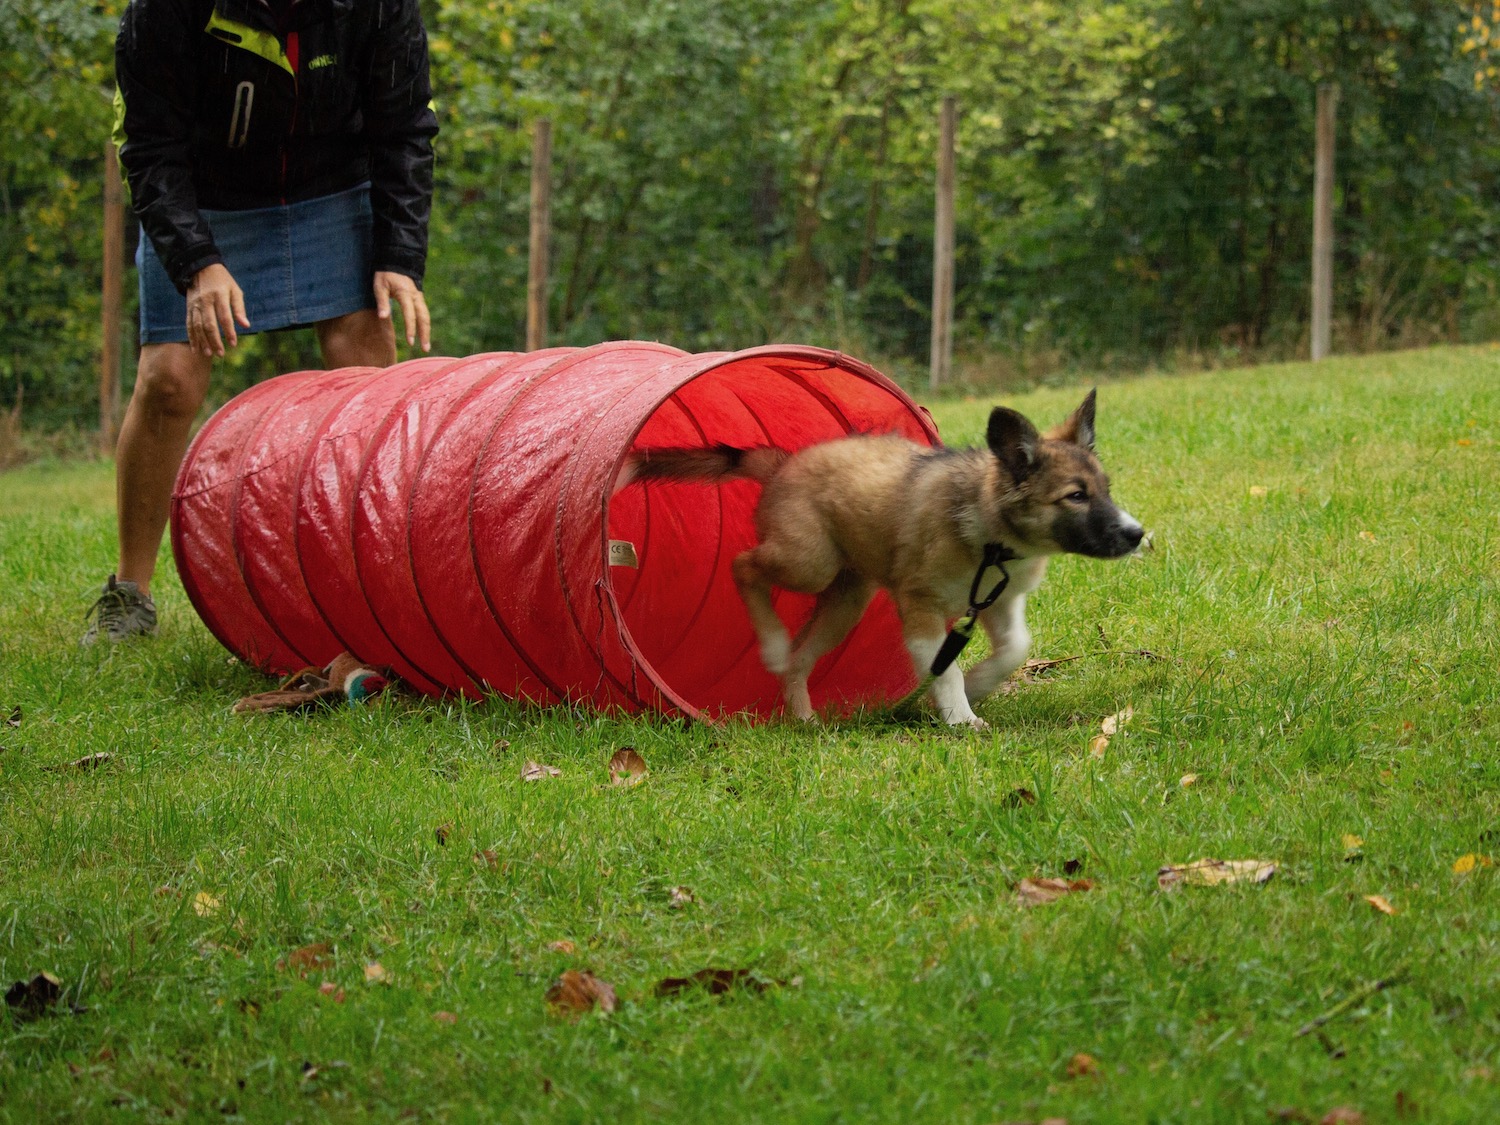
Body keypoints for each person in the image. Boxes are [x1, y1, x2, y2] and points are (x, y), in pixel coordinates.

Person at [84, 0, 438, 644]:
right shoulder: (163, 12)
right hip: (203, 191)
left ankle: (379, 574)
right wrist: (197, 265)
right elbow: (149, 146)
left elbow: (405, 128)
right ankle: (129, 593)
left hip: (333, 187)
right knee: (169, 380)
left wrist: (399, 259)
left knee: (366, 348)